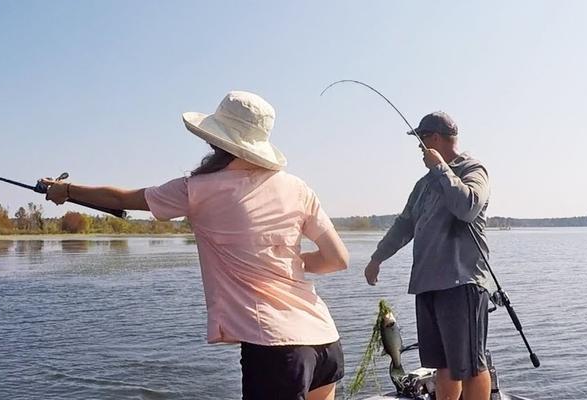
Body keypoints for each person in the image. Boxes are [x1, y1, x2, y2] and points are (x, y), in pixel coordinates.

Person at [40, 91, 349, 400]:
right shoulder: (297, 188)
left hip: (275, 346)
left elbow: (122, 199)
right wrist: (288, 262)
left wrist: (65, 190)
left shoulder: (197, 189)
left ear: (217, 140)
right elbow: (337, 259)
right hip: (324, 339)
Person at [363, 111, 492, 400]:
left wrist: (442, 170)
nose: (419, 148)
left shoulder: (473, 169)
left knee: (471, 365)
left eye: (421, 140)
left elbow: (468, 207)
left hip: (462, 285)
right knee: (442, 366)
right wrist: (377, 258)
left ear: (434, 138)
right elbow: (403, 226)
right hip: (428, 287)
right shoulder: (422, 185)